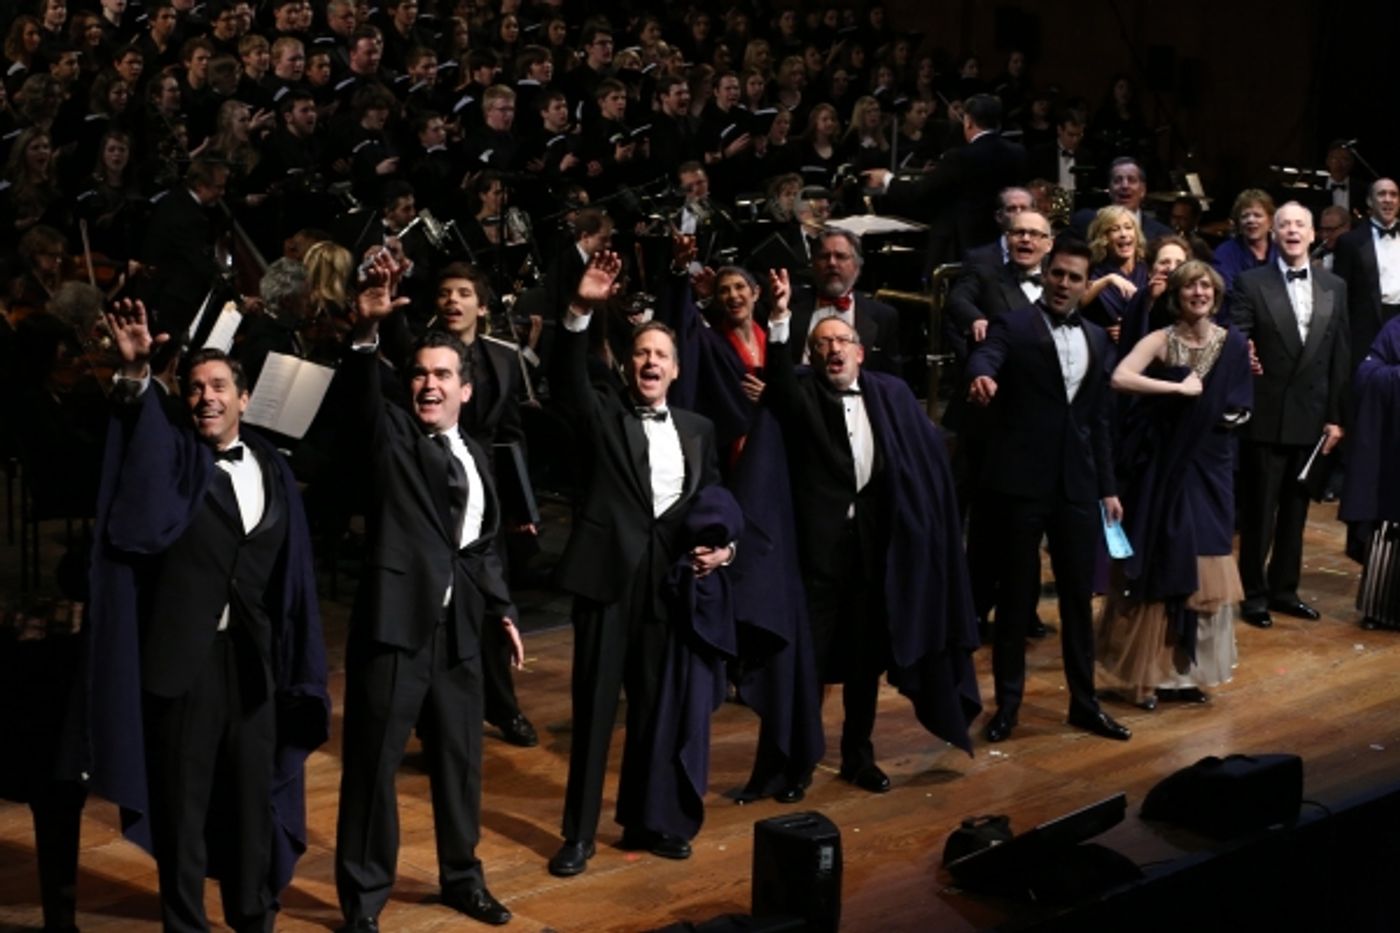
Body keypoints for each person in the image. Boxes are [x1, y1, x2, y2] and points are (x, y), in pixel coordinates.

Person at [88, 301, 330, 931]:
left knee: (253, 807)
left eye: (219, 387)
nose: (206, 398)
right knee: (183, 812)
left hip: (253, 669)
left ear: (245, 399)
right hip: (181, 668)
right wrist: (139, 376)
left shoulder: (274, 469)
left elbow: (290, 577)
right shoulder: (172, 462)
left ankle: (253, 918)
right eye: (194, 388)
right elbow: (138, 436)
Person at [333, 254, 522, 930]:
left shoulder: (476, 450)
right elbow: (361, 398)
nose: (429, 384)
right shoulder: (392, 436)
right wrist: (366, 334)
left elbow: (481, 542)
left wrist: (501, 610)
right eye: (418, 373)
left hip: (462, 629)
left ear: (466, 388)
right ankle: (362, 903)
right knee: (372, 766)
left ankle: (461, 879)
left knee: (461, 763)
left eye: (443, 374)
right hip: (395, 625)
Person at [746, 268, 981, 800]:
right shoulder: (802, 397)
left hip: (875, 558)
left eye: (842, 341)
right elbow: (779, 384)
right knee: (808, 666)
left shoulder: (891, 398)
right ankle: (798, 761)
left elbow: (924, 469)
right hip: (817, 560)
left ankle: (859, 755)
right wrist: (780, 320)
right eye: (822, 343)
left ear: (861, 352)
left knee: (864, 665)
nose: (833, 349)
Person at [547, 252, 735, 878]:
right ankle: (577, 835)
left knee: (658, 713)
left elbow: (712, 502)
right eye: (641, 354)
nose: (650, 362)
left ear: (676, 370)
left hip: (667, 588)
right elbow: (568, 381)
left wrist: (724, 548)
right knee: (596, 714)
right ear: (628, 365)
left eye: (661, 355)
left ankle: (647, 819)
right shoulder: (605, 414)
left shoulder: (699, 429)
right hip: (606, 585)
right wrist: (579, 311)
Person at [965, 238, 1131, 743]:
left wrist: (1108, 487)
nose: (1063, 284)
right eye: (1057, 274)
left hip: (1077, 487)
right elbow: (986, 356)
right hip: (1020, 486)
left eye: (1074, 278)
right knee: (1016, 602)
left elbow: (1098, 422)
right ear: (1046, 276)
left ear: (1085, 286)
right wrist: (981, 376)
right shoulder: (1013, 326)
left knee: (1078, 600)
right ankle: (1007, 707)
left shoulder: (1100, 340)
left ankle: (1085, 703)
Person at [1097, 261, 1253, 709]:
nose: (1198, 293)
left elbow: (1240, 403)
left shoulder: (1234, 343)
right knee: (1164, 557)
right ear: (1177, 295)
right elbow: (1121, 377)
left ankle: (1184, 675)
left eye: (1205, 286)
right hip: (1166, 466)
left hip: (1211, 466)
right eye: (1189, 287)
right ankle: (1148, 676)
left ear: (1216, 295)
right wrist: (1174, 391)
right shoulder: (1161, 338)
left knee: (1206, 559)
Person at [1230, 202, 1350, 628]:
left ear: (1313, 233)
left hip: (1313, 416)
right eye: (1284, 225)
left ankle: (1285, 590)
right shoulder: (1250, 282)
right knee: (1260, 511)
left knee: (1297, 512)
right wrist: (1245, 353)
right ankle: (1253, 595)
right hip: (1267, 414)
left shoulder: (1335, 284)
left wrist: (1337, 417)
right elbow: (1238, 335)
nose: (1293, 230)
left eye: (1301, 223)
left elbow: (1340, 355)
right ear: (1274, 234)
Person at [864, 93, 1027, 267]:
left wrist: (887, 179)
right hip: (1006, 246)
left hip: (964, 252)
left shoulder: (959, 157)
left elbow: (921, 194)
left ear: (968, 121)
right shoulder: (1018, 152)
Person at [1340, 314, 1400, 630]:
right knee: (1388, 525)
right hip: (1393, 448)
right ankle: (1381, 609)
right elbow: (1366, 372)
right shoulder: (1396, 328)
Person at [778, 226, 900, 374]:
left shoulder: (883, 316)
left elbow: (891, 377)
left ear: (857, 267)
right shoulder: (788, 303)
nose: (832, 263)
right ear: (813, 265)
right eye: (824, 256)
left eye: (841, 256)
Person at [1333, 177, 1400, 372]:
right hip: (1367, 328)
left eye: (1393, 195)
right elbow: (1341, 295)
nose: (1388, 199)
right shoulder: (1350, 242)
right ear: (1370, 201)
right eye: (1381, 194)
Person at [1082, 204, 1147, 340]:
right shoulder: (1092, 272)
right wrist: (1109, 279)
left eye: (1128, 227)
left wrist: (1131, 329)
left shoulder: (1148, 268)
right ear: (1103, 238)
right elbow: (1075, 303)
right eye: (1114, 229)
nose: (1124, 234)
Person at [1212, 189, 1278, 293]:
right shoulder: (1225, 253)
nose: (1251, 220)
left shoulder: (1283, 251)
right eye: (1245, 216)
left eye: (1257, 215)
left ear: (1270, 221)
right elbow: (1226, 290)